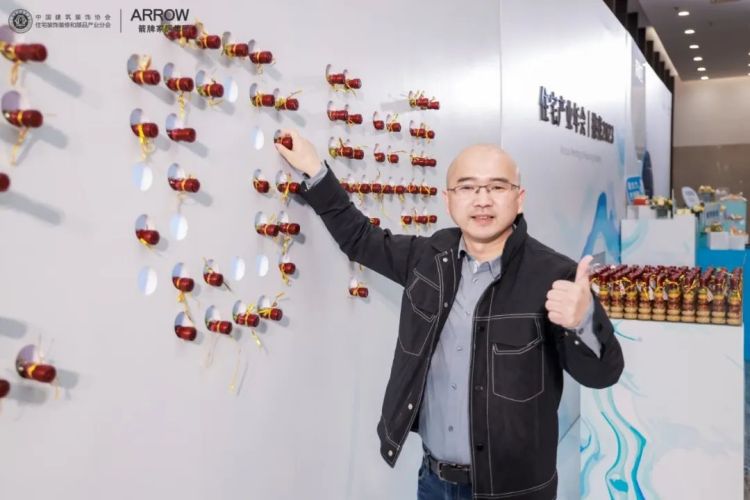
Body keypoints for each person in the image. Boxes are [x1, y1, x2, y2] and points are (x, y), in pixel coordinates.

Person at [275, 129, 624, 500]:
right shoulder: (428, 258)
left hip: (514, 490)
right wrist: (315, 170)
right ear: (448, 200)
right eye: (467, 187)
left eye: (497, 187)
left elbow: (604, 374)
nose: (482, 200)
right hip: (434, 482)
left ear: (519, 199)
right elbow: (361, 239)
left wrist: (584, 321)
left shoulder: (554, 276)